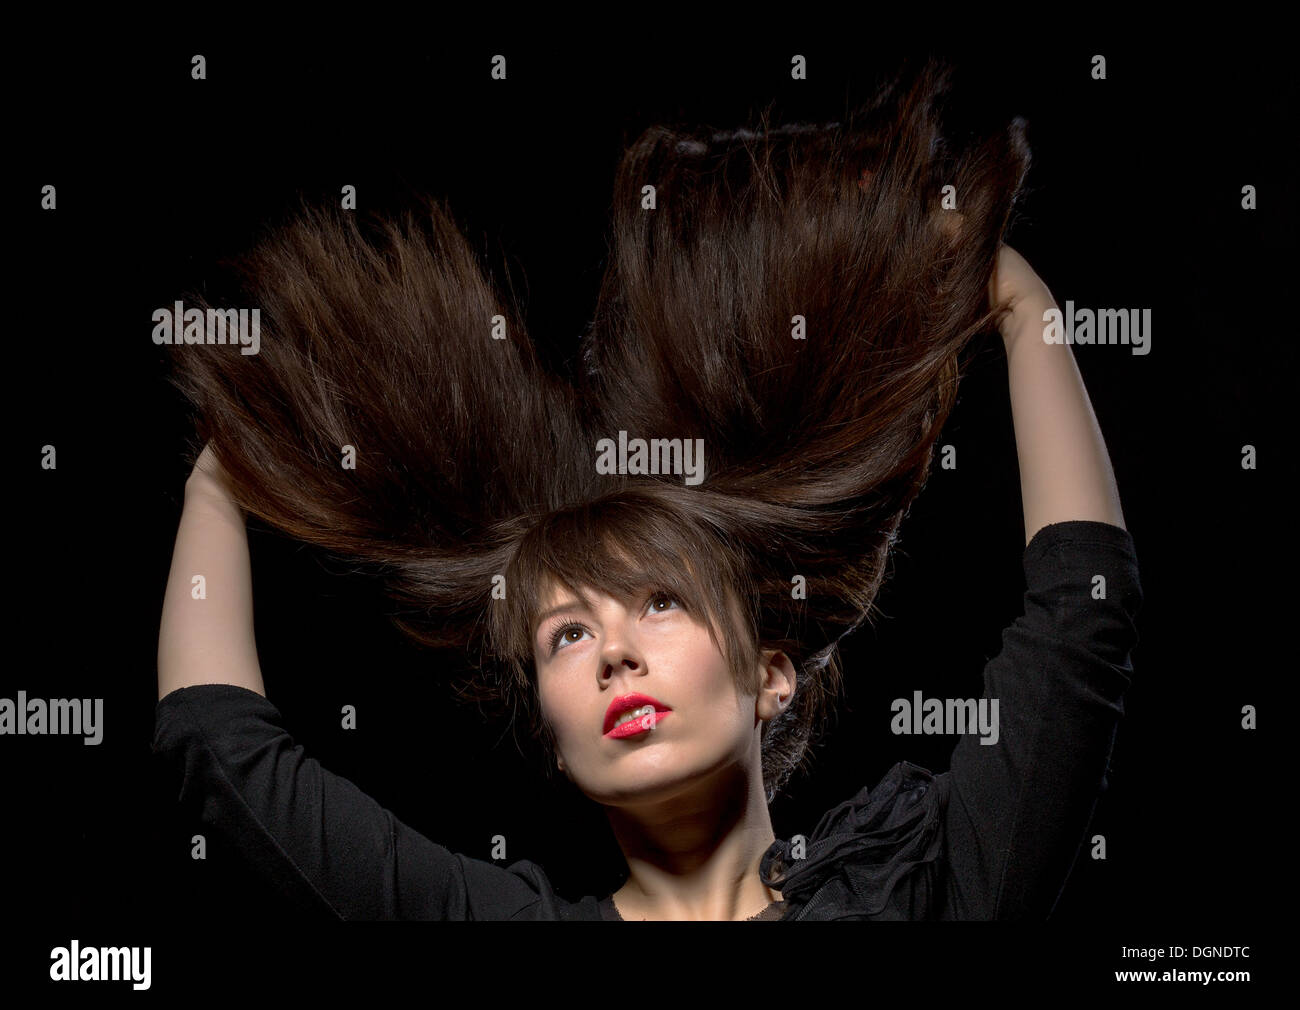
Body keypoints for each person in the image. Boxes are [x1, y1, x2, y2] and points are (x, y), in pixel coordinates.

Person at [154, 58, 1142, 921]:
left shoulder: (933, 885)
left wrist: (1017, 303)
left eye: (658, 601)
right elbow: (221, 751)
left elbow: (1081, 617)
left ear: (769, 674)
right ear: (552, 727)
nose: (613, 652)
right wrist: (228, 464)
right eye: (565, 635)